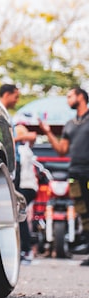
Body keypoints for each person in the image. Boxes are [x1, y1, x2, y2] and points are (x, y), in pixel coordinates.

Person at [40, 87, 89, 261]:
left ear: (80, 97)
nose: (67, 100)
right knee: (83, 212)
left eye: (70, 96)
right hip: (75, 173)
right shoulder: (70, 124)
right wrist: (47, 132)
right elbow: (62, 150)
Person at [0, 84, 39, 262]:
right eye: (16, 96)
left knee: (14, 208)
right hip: (4, 166)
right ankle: (21, 249)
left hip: (12, 167)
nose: (17, 100)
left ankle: (20, 250)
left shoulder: (9, 116)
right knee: (12, 208)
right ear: (7, 94)